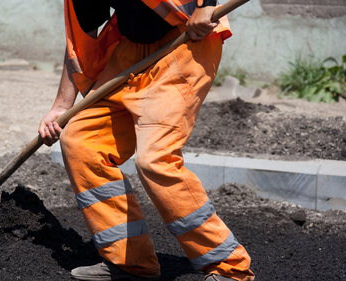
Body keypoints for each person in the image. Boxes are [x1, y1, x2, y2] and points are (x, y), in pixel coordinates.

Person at [38, 0, 255, 280]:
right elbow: (83, 37)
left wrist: (205, 5)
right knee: (81, 141)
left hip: (185, 40)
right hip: (130, 51)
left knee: (155, 159)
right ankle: (130, 262)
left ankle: (230, 267)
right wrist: (61, 106)